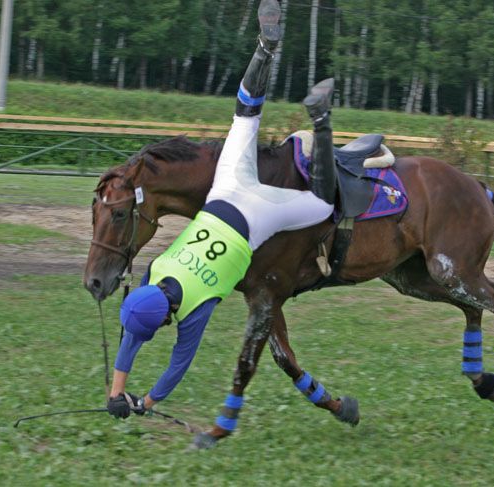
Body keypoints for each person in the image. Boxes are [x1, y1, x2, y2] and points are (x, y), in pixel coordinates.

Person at [106, 0, 338, 421]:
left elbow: (177, 364)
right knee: (244, 114)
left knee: (323, 203)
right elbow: (135, 322)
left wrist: (143, 401)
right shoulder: (156, 271)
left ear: (165, 322)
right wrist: (117, 390)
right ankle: (264, 51)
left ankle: (322, 119)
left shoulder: (193, 310)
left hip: (257, 218)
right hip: (224, 192)